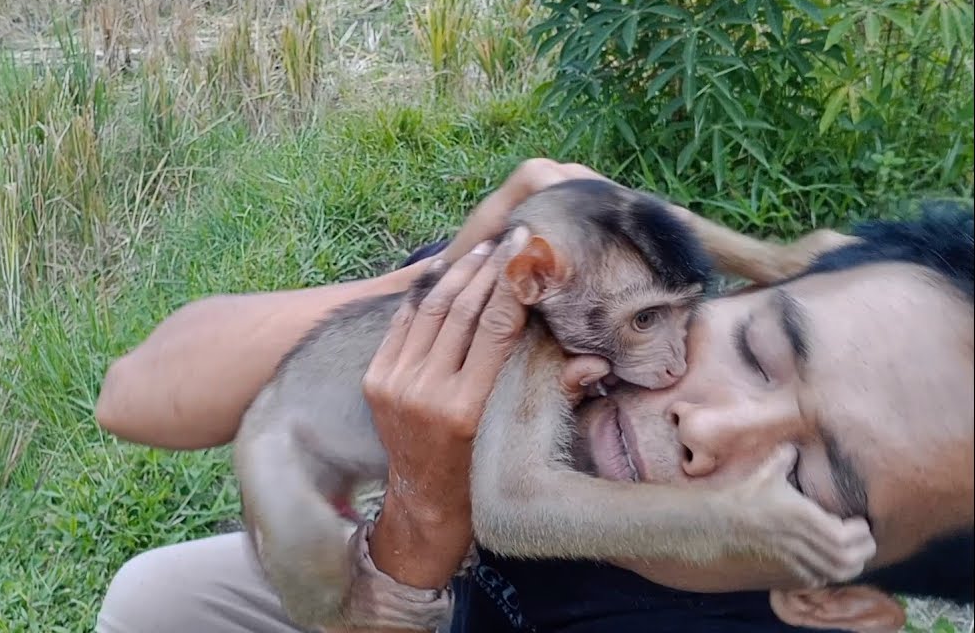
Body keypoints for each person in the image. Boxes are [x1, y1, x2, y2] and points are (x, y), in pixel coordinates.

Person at [92, 160, 974, 633]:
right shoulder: (566, 306)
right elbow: (131, 395)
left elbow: (513, 511)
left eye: (804, 481)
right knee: (157, 596)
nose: (699, 413)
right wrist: (444, 275)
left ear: (833, 603)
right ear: (730, 293)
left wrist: (420, 531)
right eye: (757, 349)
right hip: (344, 527)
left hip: (412, 580)